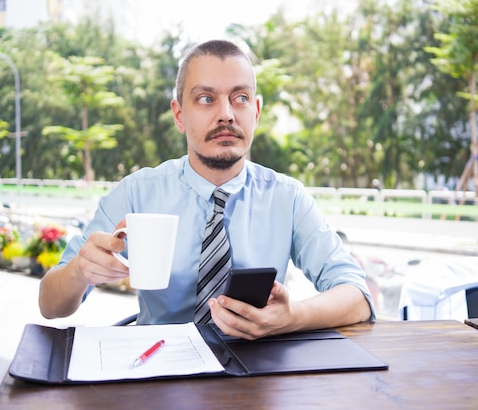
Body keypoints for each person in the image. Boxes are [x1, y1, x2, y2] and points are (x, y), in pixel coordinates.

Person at [39, 39, 375, 339]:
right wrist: (79, 273)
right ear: (179, 115)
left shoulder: (287, 198)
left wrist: (291, 317)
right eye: (205, 99)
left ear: (255, 112)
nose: (226, 114)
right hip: (159, 373)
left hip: (257, 377)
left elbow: (358, 296)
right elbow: (50, 305)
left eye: (240, 98)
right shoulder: (136, 194)